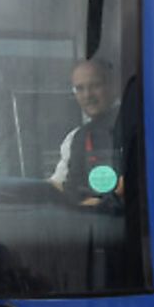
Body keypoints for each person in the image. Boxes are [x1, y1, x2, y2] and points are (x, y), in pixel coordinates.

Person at [49, 58, 126, 207]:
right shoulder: (76, 137)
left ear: (113, 86)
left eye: (95, 86)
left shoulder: (138, 125)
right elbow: (61, 185)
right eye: (79, 88)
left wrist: (107, 200)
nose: (87, 95)